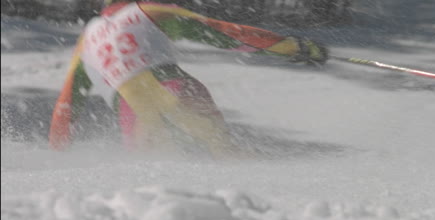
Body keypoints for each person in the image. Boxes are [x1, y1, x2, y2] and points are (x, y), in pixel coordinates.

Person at [49, 0, 328, 157]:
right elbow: (229, 33)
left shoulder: (85, 43)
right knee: (225, 157)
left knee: (158, 185)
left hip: (132, 114)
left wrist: (57, 158)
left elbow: (65, 109)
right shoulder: (150, 11)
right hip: (177, 89)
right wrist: (294, 47)